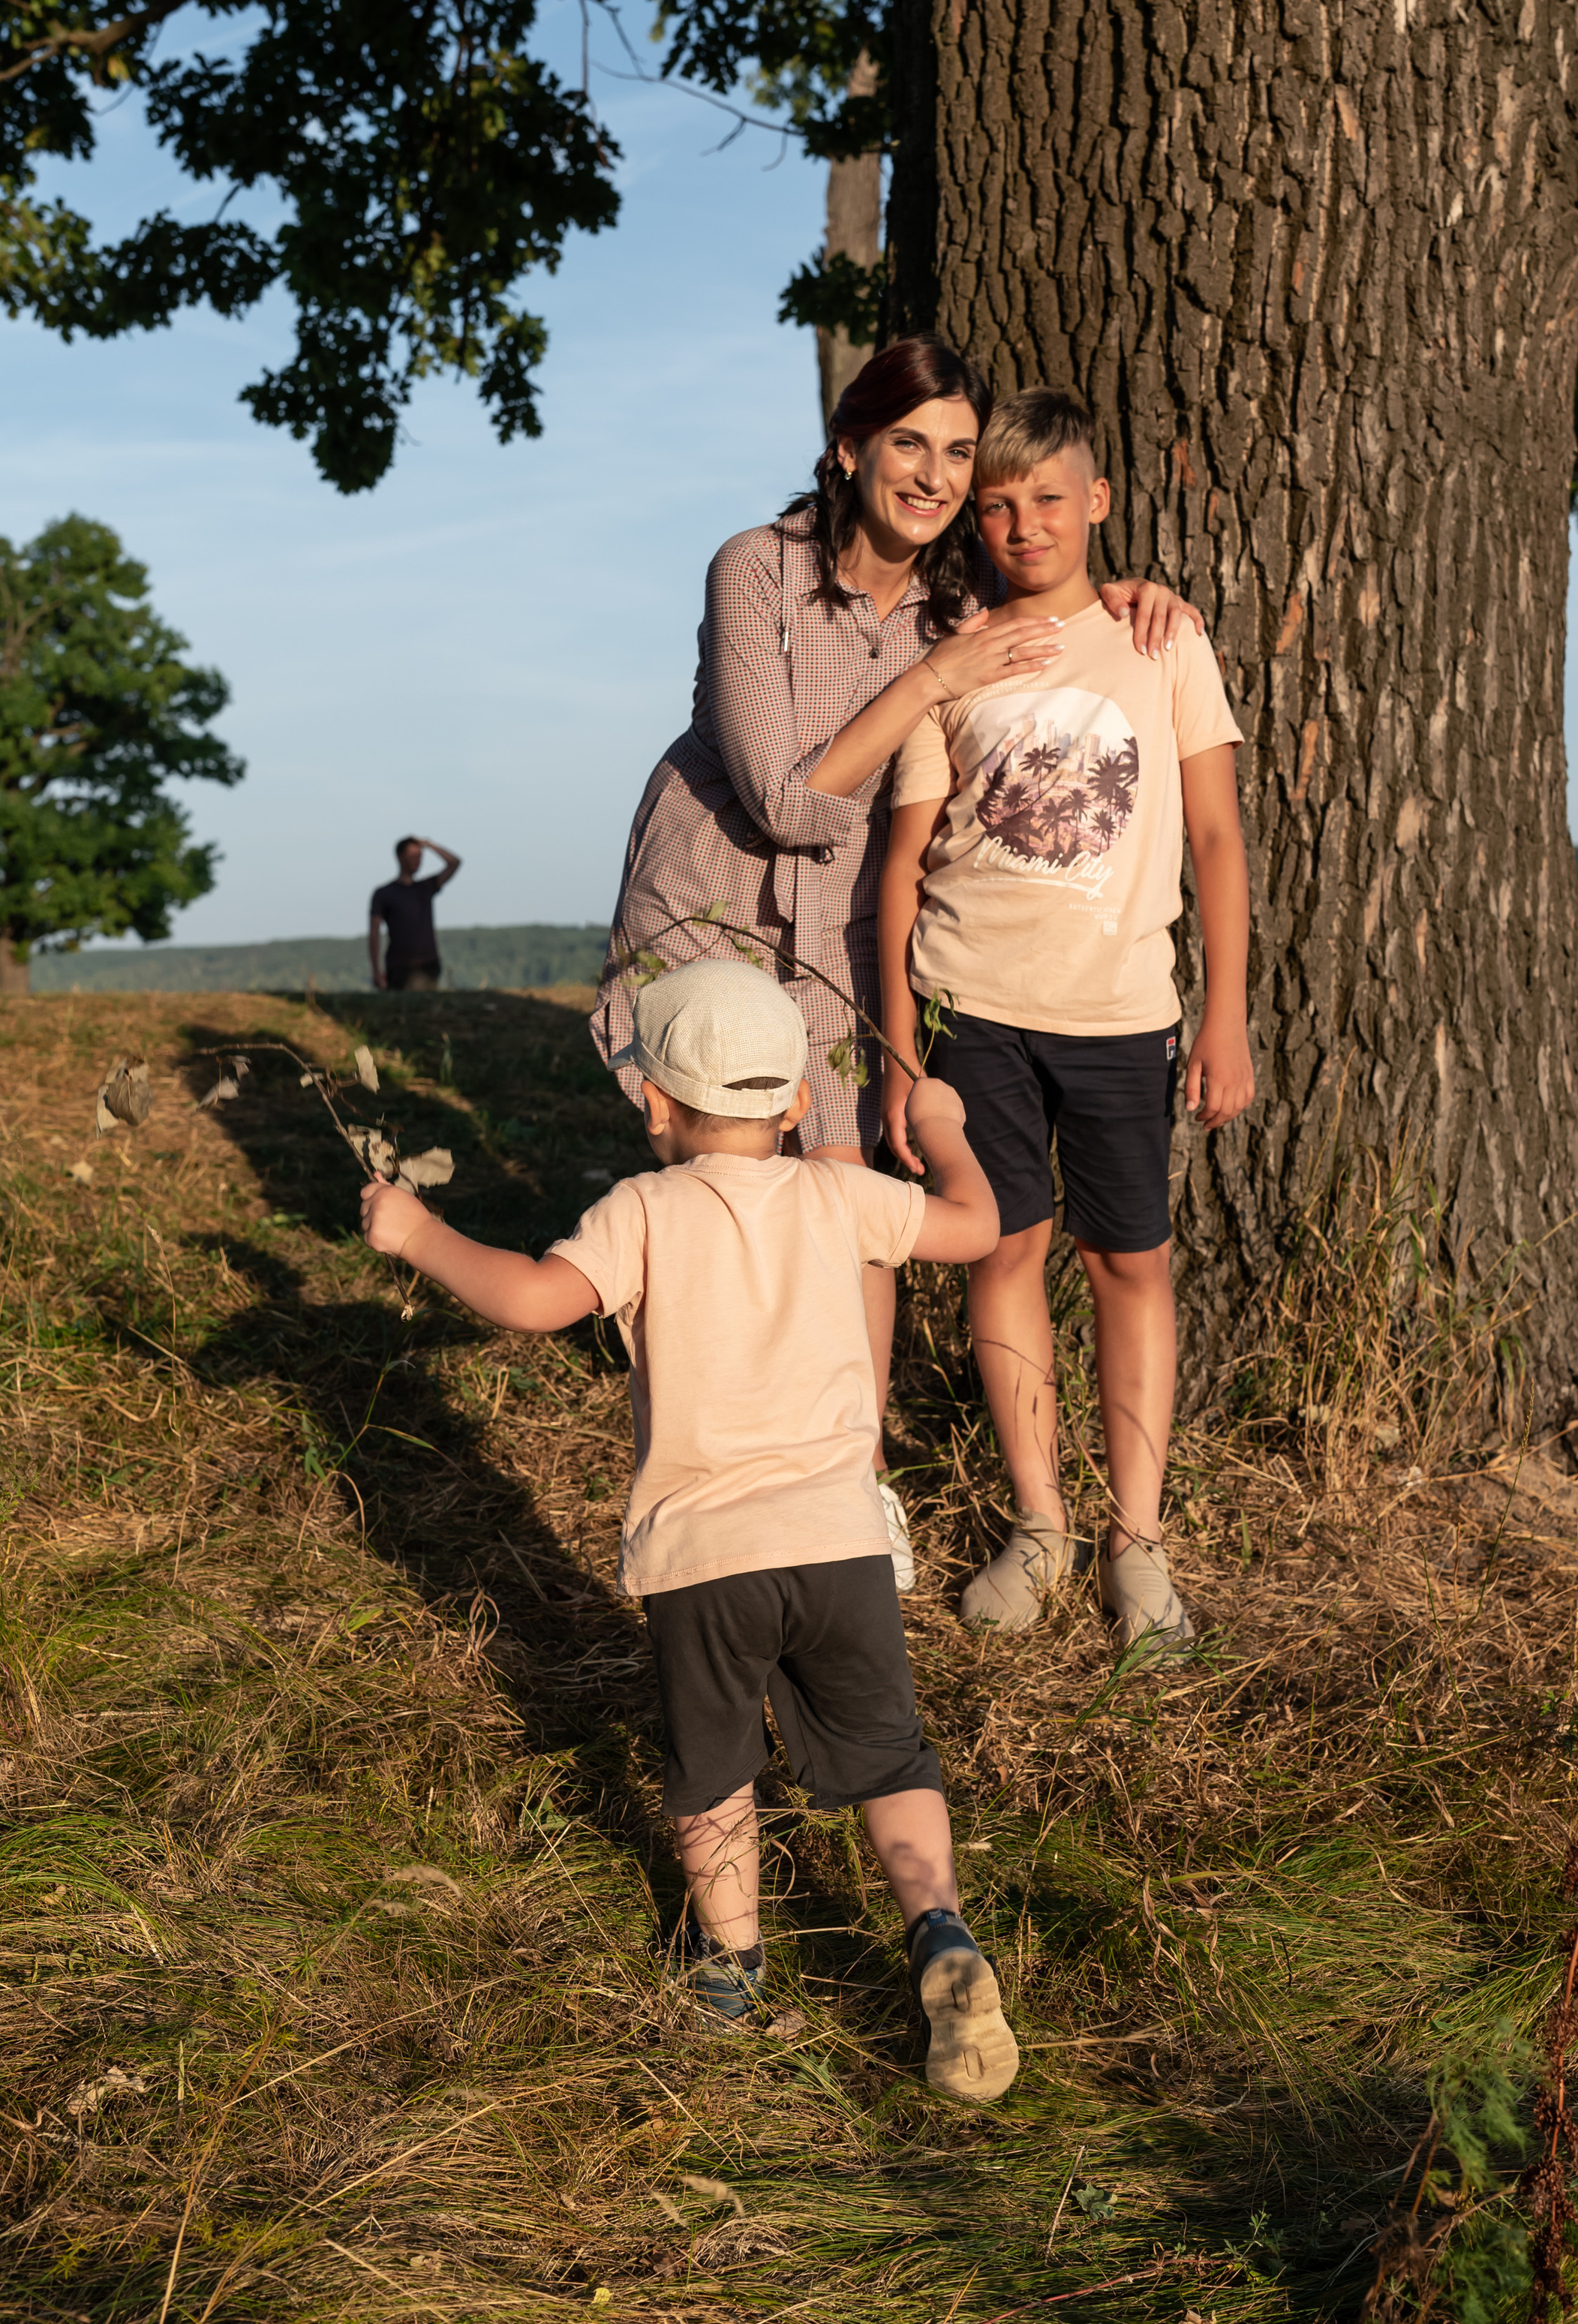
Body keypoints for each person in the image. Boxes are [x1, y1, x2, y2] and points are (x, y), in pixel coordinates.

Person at [590, 337, 1199, 1595]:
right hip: (716, 907)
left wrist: (1148, 597)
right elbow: (784, 797)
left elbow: (1059, 608)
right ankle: (692, 1491)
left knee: (847, 1197)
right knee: (707, 1204)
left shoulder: (960, 605)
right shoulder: (758, 567)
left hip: (841, 933)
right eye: (908, 441)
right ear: (849, 447)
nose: (933, 473)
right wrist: (934, 675)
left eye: (958, 452)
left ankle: (847, 1483)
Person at [359, 958, 1020, 2103]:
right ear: (799, 1102)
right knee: (889, 1751)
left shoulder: (643, 1210)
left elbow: (526, 1298)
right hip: (839, 1541)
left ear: (656, 1105)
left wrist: (415, 1231)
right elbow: (976, 1225)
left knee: (713, 1767)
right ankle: (941, 1932)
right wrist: (944, 1121)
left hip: (705, 1559)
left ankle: (730, 1972)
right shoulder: (836, 1187)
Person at [878, 387, 1255, 1649]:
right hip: (972, 1000)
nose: (1025, 521)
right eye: (999, 502)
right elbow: (905, 857)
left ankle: (1137, 1539)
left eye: (1050, 496)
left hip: (1121, 1013)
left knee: (1130, 1260)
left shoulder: (1163, 642)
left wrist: (1227, 1012)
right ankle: (1040, 1521)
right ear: (975, 521)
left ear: (1096, 500)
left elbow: (1214, 833)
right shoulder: (959, 655)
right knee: (1004, 1252)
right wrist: (894, 1037)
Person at [369, 836, 461, 991]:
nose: (417, 860)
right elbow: (374, 932)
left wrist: (430, 845)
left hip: (427, 965)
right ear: (400, 857)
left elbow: (454, 863)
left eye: (419, 856)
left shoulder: (426, 887)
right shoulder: (384, 893)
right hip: (398, 967)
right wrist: (376, 970)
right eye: (412, 856)